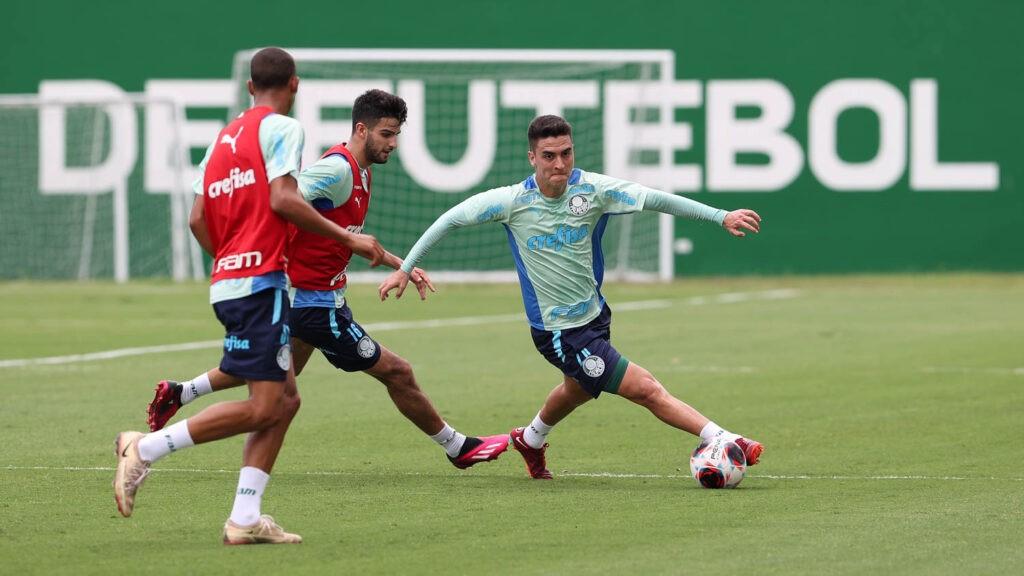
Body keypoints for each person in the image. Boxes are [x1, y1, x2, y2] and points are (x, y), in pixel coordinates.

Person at [379, 114, 764, 480]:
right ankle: (725, 439)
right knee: (644, 389)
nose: (559, 164)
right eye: (548, 156)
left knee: (577, 389)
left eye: (566, 153)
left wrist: (719, 216)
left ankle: (529, 440)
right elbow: (450, 219)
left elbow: (655, 198)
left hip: (595, 316)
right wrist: (406, 266)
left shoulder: (594, 191)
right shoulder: (512, 202)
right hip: (558, 331)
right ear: (532, 157)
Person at [145, 89, 509, 472]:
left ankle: (181, 392)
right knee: (397, 372)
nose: (394, 143)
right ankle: (457, 447)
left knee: (279, 375)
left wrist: (398, 264)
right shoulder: (337, 170)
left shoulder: (361, 173)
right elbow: (285, 199)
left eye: (397, 134)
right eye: (387, 134)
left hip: (307, 300)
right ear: (361, 129)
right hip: (314, 305)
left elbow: (346, 234)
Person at [113, 47, 386, 544]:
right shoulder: (281, 128)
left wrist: (230, 259)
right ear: (295, 85)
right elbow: (284, 198)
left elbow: (197, 219)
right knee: (265, 407)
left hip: (229, 280)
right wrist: (347, 238)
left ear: (248, 87)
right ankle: (144, 447)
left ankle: (244, 519)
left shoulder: (222, 140)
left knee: (286, 400)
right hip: (262, 282)